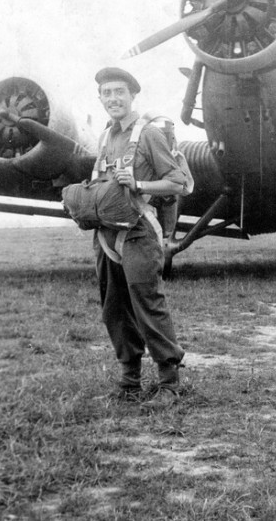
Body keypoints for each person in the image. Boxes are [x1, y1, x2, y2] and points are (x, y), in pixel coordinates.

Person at [92, 67, 187, 410]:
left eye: (120, 91)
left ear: (132, 96)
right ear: (100, 98)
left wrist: (139, 185)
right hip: (107, 234)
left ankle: (169, 385)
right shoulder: (104, 138)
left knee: (147, 304)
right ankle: (129, 382)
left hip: (140, 232)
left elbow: (177, 183)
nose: (114, 98)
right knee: (113, 308)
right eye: (107, 93)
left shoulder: (148, 134)